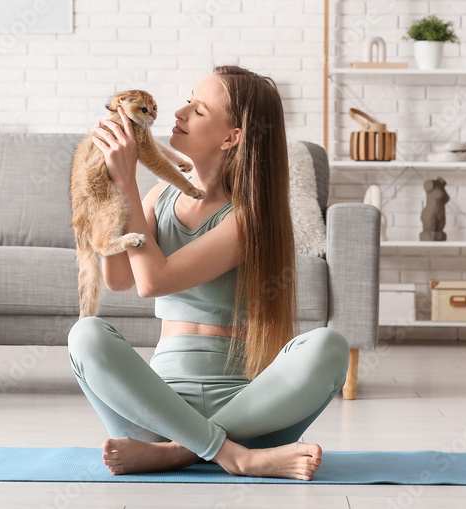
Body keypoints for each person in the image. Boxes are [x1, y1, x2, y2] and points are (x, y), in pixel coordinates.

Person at [67, 65, 350, 481]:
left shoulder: (249, 217)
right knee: (85, 335)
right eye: (187, 101)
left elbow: (152, 282)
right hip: (157, 406)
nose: (178, 113)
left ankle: (181, 452)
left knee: (329, 346)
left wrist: (128, 180)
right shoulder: (161, 195)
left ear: (231, 136)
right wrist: (108, 189)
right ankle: (233, 456)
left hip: (249, 408)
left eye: (197, 110)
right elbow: (119, 279)